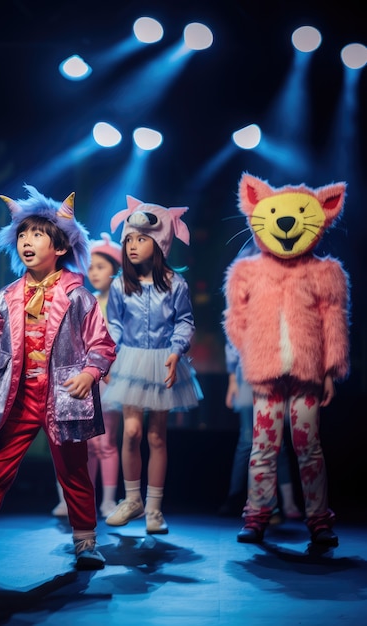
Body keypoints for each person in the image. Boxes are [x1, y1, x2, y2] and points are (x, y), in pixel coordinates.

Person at [0, 185, 116, 571]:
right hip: (18, 394)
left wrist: (90, 372)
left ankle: (85, 541)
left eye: (38, 234)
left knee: (74, 471)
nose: (27, 241)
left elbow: (103, 342)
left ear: (60, 247)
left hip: (63, 394)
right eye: (23, 235)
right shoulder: (8, 295)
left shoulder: (78, 296)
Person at [224, 173, 350, 546]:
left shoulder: (325, 272)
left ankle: (319, 520)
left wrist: (330, 370)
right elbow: (236, 320)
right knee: (263, 444)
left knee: (307, 443)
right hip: (265, 373)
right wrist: (251, 355)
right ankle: (257, 515)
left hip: (307, 373)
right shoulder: (248, 271)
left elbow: (333, 322)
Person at [102, 195, 203, 534]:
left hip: (162, 361)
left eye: (141, 239)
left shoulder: (176, 284)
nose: (132, 245)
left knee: (157, 436)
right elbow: (113, 324)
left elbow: (184, 321)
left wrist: (177, 349)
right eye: (129, 239)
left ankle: (155, 509)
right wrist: (110, 354)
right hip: (131, 360)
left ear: (159, 245)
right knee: (131, 431)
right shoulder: (119, 285)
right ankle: (132, 499)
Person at [51, 232, 122, 519]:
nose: (94, 272)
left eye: (101, 267)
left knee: (106, 443)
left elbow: (119, 341)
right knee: (79, 442)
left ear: (115, 272)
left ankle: (108, 500)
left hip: (109, 379)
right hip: (78, 378)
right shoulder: (80, 299)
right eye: (90, 267)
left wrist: (107, 369)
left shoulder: (118, 304)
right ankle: (77, 499)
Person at [220, 340, 302, 521]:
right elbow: (233, 340)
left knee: (276, 441)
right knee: (248, 440)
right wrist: (233, 380)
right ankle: (241, 499)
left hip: (275, 373)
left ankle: (285, 502)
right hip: (248, 374)